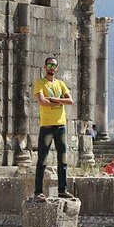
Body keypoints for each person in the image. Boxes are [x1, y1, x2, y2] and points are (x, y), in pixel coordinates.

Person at [33, 57, 75, 201]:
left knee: (63, 158)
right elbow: (42, 102)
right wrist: (58, 100)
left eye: (54, 65)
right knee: (42, 159)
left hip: (61, 125)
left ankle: (62, 190)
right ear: (45, 67)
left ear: (57, 68)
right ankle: (38, 191)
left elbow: (70, 101)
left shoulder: (61, 84)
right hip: (47, 125)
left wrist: (54, 99)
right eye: (49, 64)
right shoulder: (40, 82)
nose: (52, 67)